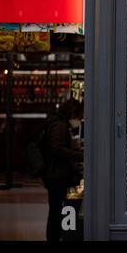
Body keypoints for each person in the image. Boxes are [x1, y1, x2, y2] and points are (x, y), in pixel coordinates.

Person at [42, 99, 84, 242]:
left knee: (55, 208)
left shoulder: (57, 121)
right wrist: (79, 155)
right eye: (78, 115)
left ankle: (55, 236)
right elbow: (57, 148)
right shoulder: (60, 125)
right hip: (57, 175)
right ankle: (54, 237)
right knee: (56, 210)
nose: (79, 119)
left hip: (54, 173)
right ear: (72, 112)